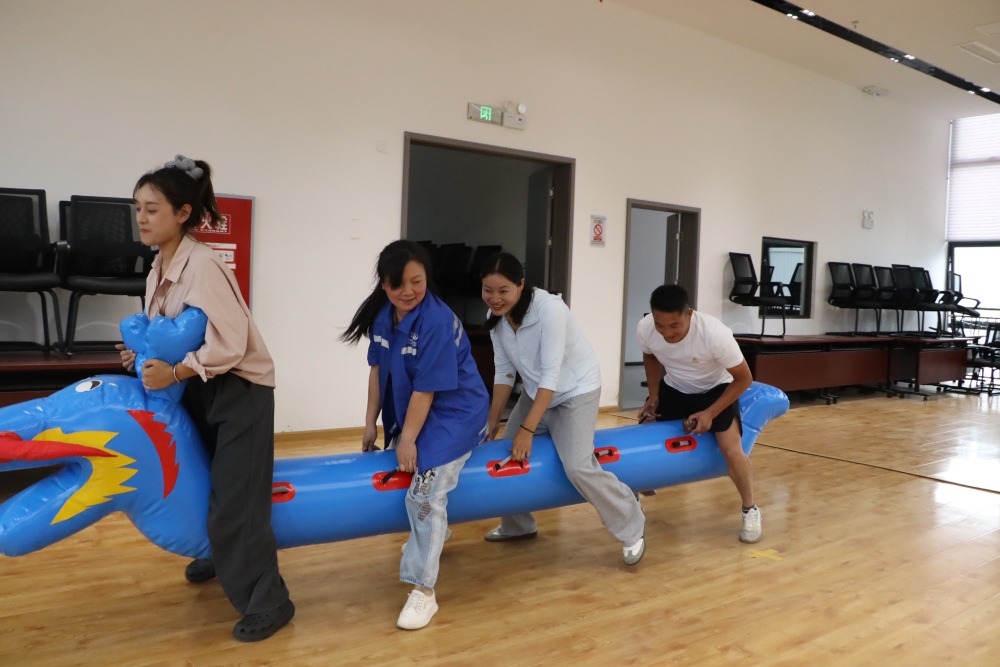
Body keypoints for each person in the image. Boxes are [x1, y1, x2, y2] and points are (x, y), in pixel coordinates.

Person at [117, 155, 294, 642]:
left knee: (238, 501)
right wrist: (141, 355)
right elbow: (168, 332)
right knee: (202, 482)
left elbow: (230, 343)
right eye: (138, 208)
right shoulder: (159, 266)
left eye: (152, 209)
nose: (141, 218)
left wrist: (174, 371)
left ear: (183, 213)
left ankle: (271, 602)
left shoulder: (204, 265)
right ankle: (220, 556)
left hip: (239, 389)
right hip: (200, 384)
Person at [341, 240, 488, 631]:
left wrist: (407, 440)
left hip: (455, 412)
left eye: (416, 281)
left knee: (424, 493)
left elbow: (427, 389)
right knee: (411, 478)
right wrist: (370, 422)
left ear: (427, 278)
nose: (407, 291)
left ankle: (424, 591)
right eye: (397, 283)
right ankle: (436, 534)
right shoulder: (384, 316)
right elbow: (378, 371)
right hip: (420, 409)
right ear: (383, 284)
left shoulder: (435, 321)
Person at [480, 252, 646, 565]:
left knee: (577, 466)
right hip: (536, 391)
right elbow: (504, 371)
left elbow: (551, 374)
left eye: (503, 290)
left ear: (521, 285)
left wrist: (527, 429)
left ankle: (631, 522)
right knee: (505, 454)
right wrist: (493, 420)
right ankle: (518, 525)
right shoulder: (496, 317)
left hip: (575, 391)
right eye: (488, 290)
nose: (495, 298)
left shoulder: (550, 310)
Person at [636, 284, 761, 543]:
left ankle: (750, 509)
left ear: (689, 314)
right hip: (675, 386)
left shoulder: (714, 333)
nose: (667, 333)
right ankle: (633, 506)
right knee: (641, 436)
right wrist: (654, 395)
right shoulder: (646, 328)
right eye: (660, 325)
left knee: (731, 450)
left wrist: (710, 413)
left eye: (674, 325)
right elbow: (650, 356)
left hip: (716, 390)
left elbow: (744, 379)